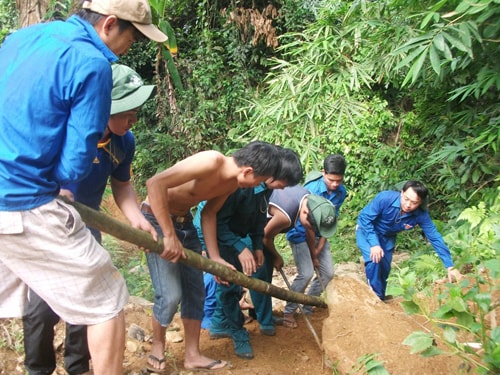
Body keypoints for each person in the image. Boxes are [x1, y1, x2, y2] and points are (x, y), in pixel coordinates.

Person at [0, 1, 167, 373]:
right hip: (25, 200)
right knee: (107, 300)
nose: (128, 48)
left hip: (9, 195)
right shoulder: (92, 63)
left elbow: (121, 183)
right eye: (132, 38)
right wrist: (61, 184)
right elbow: (78, 153)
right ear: (109, 24)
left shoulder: (21, 39)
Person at [21, 64, 157, 375]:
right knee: (40, 310)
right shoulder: (64, 131)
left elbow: (121, 184)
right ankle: (37, 370)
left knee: (90, 305)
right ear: (102, 105)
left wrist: (137, 219)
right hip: (46, 229)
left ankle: (77, 367)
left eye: (135, 112)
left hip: (86, 231)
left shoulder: (125, 141)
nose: (132, 119)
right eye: (126, 112)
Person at [141, 141, 281, 372]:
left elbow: (209, 213)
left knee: (195, 292)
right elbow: (155, 184)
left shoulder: (231, 184)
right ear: (248, 171)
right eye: (259, 180)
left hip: (185, 225)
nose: (258, 186)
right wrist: (167, 234)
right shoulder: (211, 161)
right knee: (169, 294)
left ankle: (193, 355)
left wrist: (215, 258)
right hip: (157, 219)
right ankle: (157, 347)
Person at [193, 147, 302, 359]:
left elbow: (259, 219)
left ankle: (218, 325)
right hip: (214, 230)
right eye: (283, 182)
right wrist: (240, 247)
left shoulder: (266, 188)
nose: (283, 188)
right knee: (228, 283)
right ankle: (238, 333)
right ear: (272, 175)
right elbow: (217, 221)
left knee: (238, 278)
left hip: (235, 231)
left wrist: (258, 246)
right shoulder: (241, 186)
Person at [356, 180, 462, 300]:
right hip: (367, 230)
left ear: (420, 202)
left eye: (414, 202)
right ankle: (375, 298)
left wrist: (450, 266)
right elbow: (364, 218)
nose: (408, 205)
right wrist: (374, 244)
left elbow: (434, 237)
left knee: (384, 268)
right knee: (374, 259)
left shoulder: (420, 215)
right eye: (406, 199)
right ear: (402, 193)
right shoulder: (385, 198)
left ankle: (380, 298)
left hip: (388, 237)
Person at [283, 153, 347, 328]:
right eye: (331, 179)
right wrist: (314, 254)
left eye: (338, 180)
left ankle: (308, 303)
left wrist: (319, 249)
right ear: (323, 172)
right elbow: (306, 226)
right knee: (306, 272)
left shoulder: (341, 192)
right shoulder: (311, 190)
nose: (335, 184)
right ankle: (289, 310)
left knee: (328, 273)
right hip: (300, 232)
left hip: (319, 235)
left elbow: (330, 221)